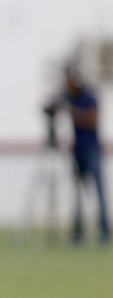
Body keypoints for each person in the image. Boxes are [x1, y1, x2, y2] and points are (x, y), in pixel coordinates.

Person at [46, 65, 110, 244]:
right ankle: (78, 233)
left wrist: (72, 112)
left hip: (92, 150)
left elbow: (93, 119)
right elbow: (50, 104)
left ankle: (105, 231)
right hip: (77, 151)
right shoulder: (68, 96)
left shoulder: (90, 96)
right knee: (77, 195)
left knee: (98, 192)